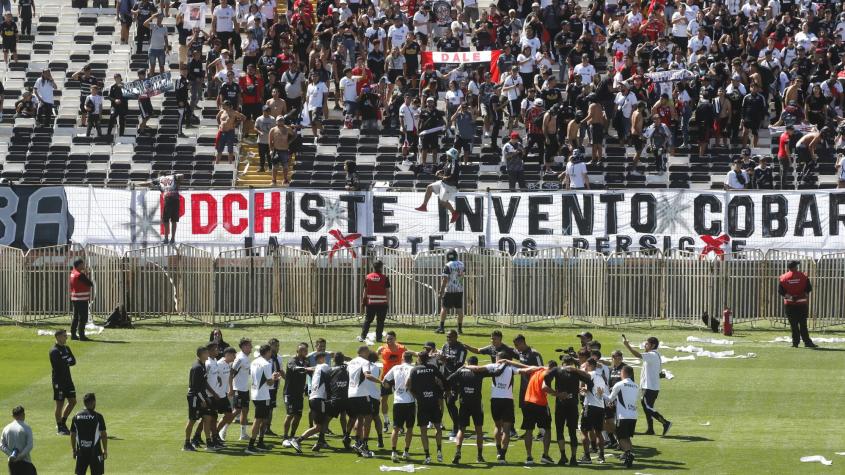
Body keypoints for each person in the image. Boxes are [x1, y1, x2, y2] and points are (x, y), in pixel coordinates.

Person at [543, 358, 592, 465]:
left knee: (560, 430)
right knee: (572, 432)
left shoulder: (557, 369)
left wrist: (555, 393)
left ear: (562, 363)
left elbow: (546, 378)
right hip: (572, 404)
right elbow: (589, 378)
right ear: (572, 364)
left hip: (561, 403)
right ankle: (573, 458)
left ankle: (563, 456)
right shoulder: (574, 371)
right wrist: (587, 388)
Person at [623, 335, 672, 436]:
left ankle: (666, 423)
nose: (645, 345)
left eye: (647, 344)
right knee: (647, 408)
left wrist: (627, 345)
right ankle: (650, 429)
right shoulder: (654, 355)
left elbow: (637, 355)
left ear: (652, 345)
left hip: (649, 387)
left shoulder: (652, 355)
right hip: (651, 386)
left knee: (647, 406)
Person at [407, 350, 447, 464]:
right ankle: (439, 451)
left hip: (422, 404)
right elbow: (442, 379)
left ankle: (427, 456)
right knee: (438, 428)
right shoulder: (433, 368)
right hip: (434, 402)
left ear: (419, 358)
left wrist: (417, 396)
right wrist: (444, 390)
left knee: (423, 431)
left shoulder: (414, 370)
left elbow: (410, 385)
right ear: (428, 359)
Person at [446, 355, 487, 464]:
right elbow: (494, 372)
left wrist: (460, 369)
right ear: (476, 364)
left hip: (464, 404)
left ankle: (458, 452)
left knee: (461, 429)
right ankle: (479, 456)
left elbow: (449, 379)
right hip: (476, 404)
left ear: (467, 363)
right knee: (479, 430)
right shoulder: (480, 372)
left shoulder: (461, 372)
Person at [245, 344, 283, 454]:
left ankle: (260, 442)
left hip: (255, 393)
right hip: (263, 395)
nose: (271, 353)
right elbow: (269, 381)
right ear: (267, 352)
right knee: (258, 420)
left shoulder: (254, 362)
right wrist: (275, 377)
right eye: (270, 351)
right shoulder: (266, 364)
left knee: (262, 419)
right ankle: (251, 445)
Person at [290, 351, 331, 451]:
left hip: (313, 398)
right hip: (319, 399)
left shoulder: (316, 369)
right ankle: (297, 440)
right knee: (319, 426)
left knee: (322, 422)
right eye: (324, 357)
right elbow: (332, 373)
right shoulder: (324, 366)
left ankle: (320, 442)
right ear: (321, 358)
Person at [346, 346, 381, 458]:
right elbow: (367, 375)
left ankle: (358, 442)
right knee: (369, 417)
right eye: (367, 351)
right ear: (364, 352)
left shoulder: (351, 362)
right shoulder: (365, 362)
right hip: (362, 393)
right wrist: (381, 382)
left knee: (360, 417)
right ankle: (364, 445)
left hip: (351, 394)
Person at [604, 365, 638, 468]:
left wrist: (601, 394)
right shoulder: (636, 386)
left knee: (621, 437)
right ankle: (628, 455)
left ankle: (628, 455)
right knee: (627, 437)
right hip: (633, 415)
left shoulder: (619, 384)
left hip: (623, 415)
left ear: (623, 373)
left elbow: (610, 398)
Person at [414, 147, 461, 224]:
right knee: (429, 187)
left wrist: (441, 176)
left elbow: (452, 177)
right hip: (444, 183)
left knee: (442, 202)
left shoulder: (454, 163)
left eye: (448, 154)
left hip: (450, 186)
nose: (447, 155)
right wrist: (440, 171)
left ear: (452, 156)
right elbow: (445, 170)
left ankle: (454, 213)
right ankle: (424, 206)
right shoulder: (449, 162)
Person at [384, 351, 415, 462]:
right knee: (409, 428)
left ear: (402, 358)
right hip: (410, 402)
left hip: (397, 402)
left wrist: (393, 388)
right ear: (411, 359)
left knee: (396, 428)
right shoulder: (413, 368)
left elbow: (385, 382)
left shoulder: (395, 368)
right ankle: (406, 452)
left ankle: (393, 452)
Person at [184, 346, 216, 452]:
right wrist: (203, 400)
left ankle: (209, 442)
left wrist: (206, 398)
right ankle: (187, 443)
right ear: (202, 354)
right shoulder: (197, 367)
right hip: (194, 397)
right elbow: (195, 387)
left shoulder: (203, 365)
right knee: (192, 420)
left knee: (207, 418)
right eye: (206, 353)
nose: (208, 354)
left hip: (201, 396)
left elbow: (203, 384)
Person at [778, 261, 817, 348]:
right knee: (803, 324)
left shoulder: (783, 278)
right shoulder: (803, 276)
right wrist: (802, 296)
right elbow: (808, 288)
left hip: (789, 304)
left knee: (793, 325)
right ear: (796, 267)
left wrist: (791, 297)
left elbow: (781, 291)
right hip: (801, 304)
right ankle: (807, 342)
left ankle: (795, 343)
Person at [578, 358, 607, 465]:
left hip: (590, 406)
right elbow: (598, 391)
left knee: (584, 431)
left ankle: (587, 457)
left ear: (590, 365)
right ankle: (602, 456)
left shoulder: (589, 374)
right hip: (600, 407)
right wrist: (585, 390)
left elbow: (584, 388)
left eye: (586, 365)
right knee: (599, 433)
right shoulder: (601, 377)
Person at [70, 393, 107, 475]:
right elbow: (103, 435)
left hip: (81, 452)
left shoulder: (76, 416)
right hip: (96, 452)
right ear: (94, 402)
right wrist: (105, 449)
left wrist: (73, 450)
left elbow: (72, 434)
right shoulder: (98, 417)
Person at [50, 328, 77, 436]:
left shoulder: (66, 348)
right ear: (58, 337)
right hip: (58, 382)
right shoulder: (54, 351)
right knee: (59, 405)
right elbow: (59, 365)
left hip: (68, 380)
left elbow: (73, 361)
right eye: (64, 335)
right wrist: (67, 361)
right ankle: (60, 427)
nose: (66, 337)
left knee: (73, 401)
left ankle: (63, 422)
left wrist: (66, 361)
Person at [377, 331, 405, 431]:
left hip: (398, 377)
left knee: (401, 400)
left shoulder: (402, 348)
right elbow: (374, 358)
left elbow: (408, 356)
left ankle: (400, 423)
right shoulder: (381, 349)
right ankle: (386, 421)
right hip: (386, 378)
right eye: (387, 339)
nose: (388, 341)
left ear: (395, 338)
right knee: (383, 399)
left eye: (391, 339)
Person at [282, 343, 309, 449]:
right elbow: (295, 368)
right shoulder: (292, 361)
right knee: (290, 414)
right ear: (297, 351)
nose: (304, 352)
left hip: (299, 393)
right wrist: (307, 369)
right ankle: (285, 437)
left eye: (305, 350)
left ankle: (292, 436)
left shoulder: (306, 361)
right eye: (302, 350)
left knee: (298, 415)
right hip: (289, 393)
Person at [434, 249, 465, 334]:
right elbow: (462, 276)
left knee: (444, 308)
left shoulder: (447, 265)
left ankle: (441, 327)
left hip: (449, 289)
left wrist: (441, 292)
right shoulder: (461, 264)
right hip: (459, 289)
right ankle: (459, 328)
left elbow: (445, 279)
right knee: (459, 309)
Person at [360, 260, 391, 343]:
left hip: (371, 303)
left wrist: (363, 302)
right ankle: (379, 338)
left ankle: (363, 336)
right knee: (380, 322)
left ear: (373, 267)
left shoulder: (368, 277)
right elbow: (387, 291)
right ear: (381, 267)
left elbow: (365, 291)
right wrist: (388, 302)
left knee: (368, 320)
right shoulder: (385, 278)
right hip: (382, 303)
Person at [148, 173, 183, 244]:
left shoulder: (159, 179)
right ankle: (173, 239)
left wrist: (137, 184)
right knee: (174, 221)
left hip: (168, 199)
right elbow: (181, 175)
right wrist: (176, 178)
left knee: (166, 220)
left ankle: (166, 239)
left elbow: (148, 183)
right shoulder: (172, 177)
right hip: (176, 200)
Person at [229, 338, 252, 441]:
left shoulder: (246, 358)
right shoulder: (240, 358)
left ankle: (243, 434)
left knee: (245, 411)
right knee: (236, 411)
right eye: (249, 346)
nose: (251, 347)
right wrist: (231, 388)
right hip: (238, 389)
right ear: (243, 347)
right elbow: (231, 373)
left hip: (245, 389)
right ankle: (222, 430)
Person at [1, 406, 35, 475]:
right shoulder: (26, 427)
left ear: (12, 416)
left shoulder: (6, 428)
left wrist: (10, 454)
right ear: (23, 415)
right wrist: (20, 456)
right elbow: (30, 445)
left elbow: (1, 445)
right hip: (25, 462)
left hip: (12, 464)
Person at [68, 258, 93, 341]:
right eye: (82, 264)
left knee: (75, 317)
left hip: (75, 298)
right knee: (83, 318)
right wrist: (86, 274)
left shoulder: (73, 273)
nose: (84, 265)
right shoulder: (80, 274)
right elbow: (90, 283)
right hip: (81, 299)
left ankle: (73, 334)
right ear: (78, 265)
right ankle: (82, 335)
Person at [268, 116, 295, 185]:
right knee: (275, 166)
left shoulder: (287, 128)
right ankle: (274, 180)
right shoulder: (273, 130)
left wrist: (289, 141)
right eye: (279, 120)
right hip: (276, 150)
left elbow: (294, 135)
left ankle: (285, 179)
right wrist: (271, 150)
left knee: (285, 166)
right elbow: (270, 141)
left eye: (282, 120)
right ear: (276, 121)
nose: (280, 122)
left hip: (285, 150)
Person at [254, 105, 275, 173]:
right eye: (267, 111)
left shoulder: (272, 119)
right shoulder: (259, 119)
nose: (268, 112)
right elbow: (255, 127)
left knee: (270, 155)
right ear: (263, 111)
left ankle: (270, 168)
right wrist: (259, 132)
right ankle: (262, 167)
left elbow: (275, 128)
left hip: (270, 140)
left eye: (269, 110)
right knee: (262, 155)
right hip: (261, 140)